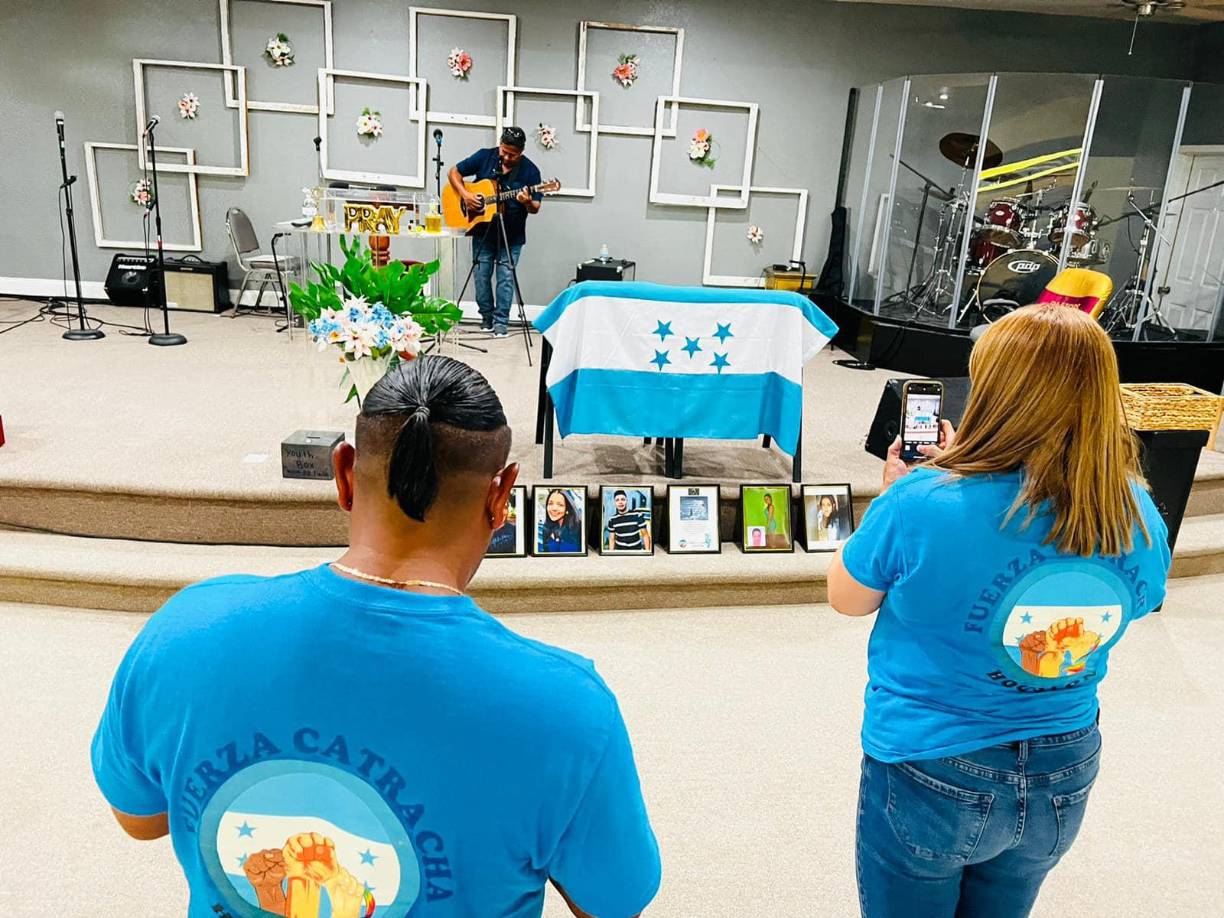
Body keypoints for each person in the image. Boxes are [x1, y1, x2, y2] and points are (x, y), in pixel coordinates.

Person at [91, 356, 660, 918]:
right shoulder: (569, 709)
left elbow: (138, 819)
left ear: (343, 474)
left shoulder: (184, 630)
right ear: (501, 495)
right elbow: (611, 904)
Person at [827, 303, 1171, 918]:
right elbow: (1137, 604)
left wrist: (900, 494)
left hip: (930, 758)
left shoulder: (919, 501)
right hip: (1066, 758)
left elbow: (847, 599)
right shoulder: (1138, 511)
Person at [448, 126, 543, 337]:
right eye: (504, 151)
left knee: (506, 278)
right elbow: (453, 171)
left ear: (522, 151)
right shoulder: (485, 156)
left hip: (512, 235)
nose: (507, 157)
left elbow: (535, 207)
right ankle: (486, 319)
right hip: (482, 231)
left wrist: (527, 202)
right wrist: (465, 195)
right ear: (500, 145)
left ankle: (501, 323)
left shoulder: (531, 171)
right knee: (481, 276)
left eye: (513, 154)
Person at [540, 488, 583, 554]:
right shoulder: (546, 528)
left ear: (567, 508)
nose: (554, 508)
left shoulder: (579, 527)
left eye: (560, 505)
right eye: (550, 503)